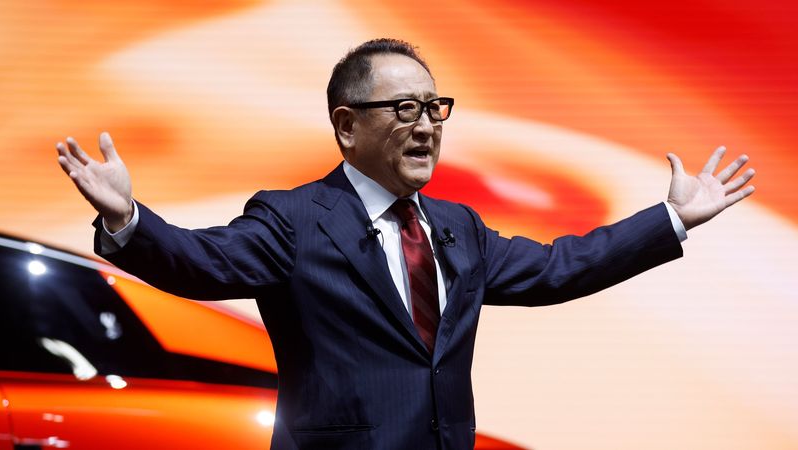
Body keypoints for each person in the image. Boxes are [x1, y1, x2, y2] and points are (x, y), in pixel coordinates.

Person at [56, 38, 755, 450]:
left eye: (434, 107)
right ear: (346, 126)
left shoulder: (458, 227)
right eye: (403, 109)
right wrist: (128, 218)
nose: (426, 126)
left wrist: (671, 219)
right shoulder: (294, 219)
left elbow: (557, 269)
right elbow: (198, 263)